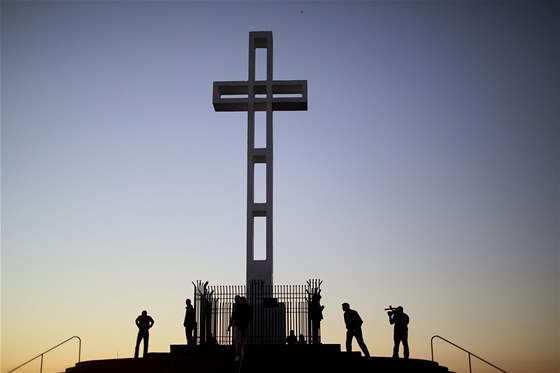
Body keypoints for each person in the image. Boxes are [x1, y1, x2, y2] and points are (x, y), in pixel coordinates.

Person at [228, 295, 252, 362]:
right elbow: (249, 316)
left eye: (237, 299)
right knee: (242, 340)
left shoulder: (238, 307)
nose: (236, 300)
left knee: (238, 340)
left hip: (239, 325)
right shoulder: (247, 307)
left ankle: (239, 355)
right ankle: (242, 352)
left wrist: (230, 325)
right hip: (243, 326)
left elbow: (233, 317)